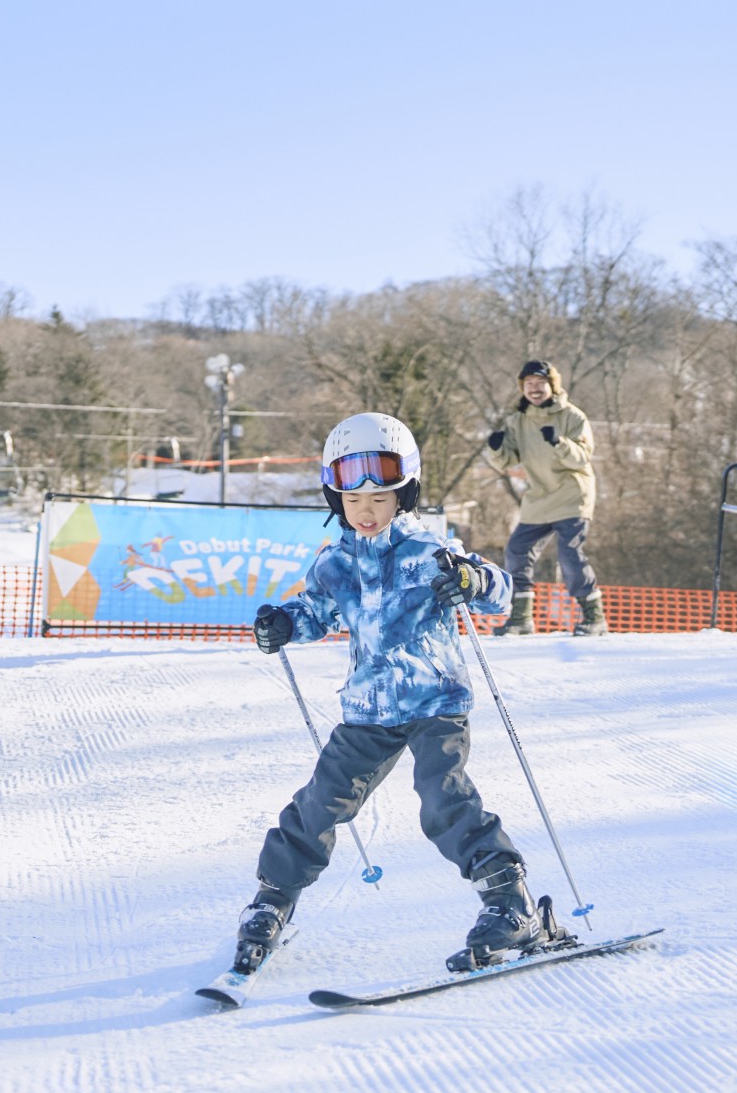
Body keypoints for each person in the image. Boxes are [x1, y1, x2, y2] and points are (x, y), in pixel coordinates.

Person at [234, 412, 572, 976]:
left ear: (404, 495)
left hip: (435, 701)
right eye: (354, 500)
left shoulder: (426, 550)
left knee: (444, 800)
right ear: (335, 498)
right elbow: (314, 612)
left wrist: (469, 581)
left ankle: (509, 904)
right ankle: (272, 900)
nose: (366, 512)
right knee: (319, 802)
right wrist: (286, 624)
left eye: (381, 499)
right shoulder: (335, 561)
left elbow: (497, 591)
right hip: (367, 709)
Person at [484, 359, 607, 636]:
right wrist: (495, 450)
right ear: (523, 388)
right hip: (539, 496)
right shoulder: (517, 420)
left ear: (553, 385)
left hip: (572, 493)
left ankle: (594, 617)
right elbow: (508, 460)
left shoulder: (572, 416)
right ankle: (521, 619)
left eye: (540, 383)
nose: (535, 389)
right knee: (517, 550)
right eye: (529, 384)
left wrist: (559, 442)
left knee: (569, 555)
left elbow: (582, 457)